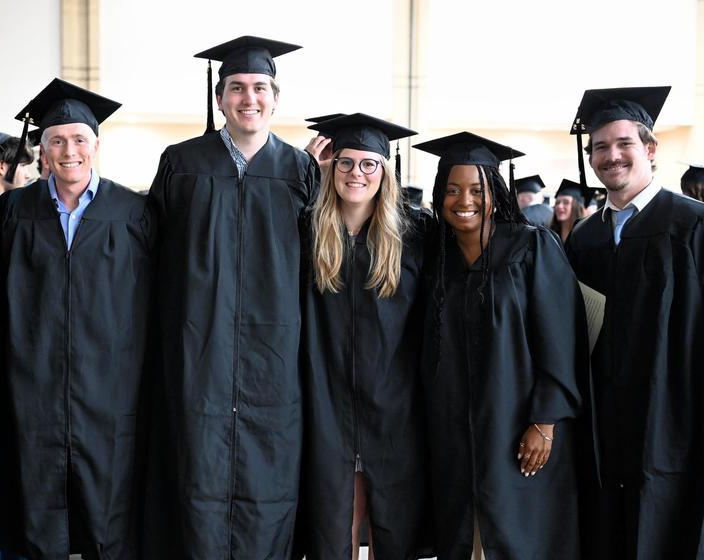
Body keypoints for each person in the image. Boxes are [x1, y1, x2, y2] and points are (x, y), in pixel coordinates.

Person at [143, 35, 320, 559]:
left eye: (260, 87)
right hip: (199, 353)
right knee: (197, 476)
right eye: (237, 87)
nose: (250, 98)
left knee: (270, 479)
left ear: (276, 97)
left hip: (275, 362)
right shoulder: (182, 163)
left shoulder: (299, 171)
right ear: (220, 98)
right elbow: (150, 254)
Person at [0, 78, 153, 560]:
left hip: (109, 391)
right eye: (57, 140)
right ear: (42, 150)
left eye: (79, 139)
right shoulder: (14, 209)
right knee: (37, 516)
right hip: (32, 387)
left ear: (96, 145)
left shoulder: (132, 211)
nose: (69, 150)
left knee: (108, 521)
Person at [413, 132, 586, 559]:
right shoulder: (437, 260)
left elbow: (562, 339)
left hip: (519, 428)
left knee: (522, 536)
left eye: (477, 189)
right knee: (464, 536)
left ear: (495, 194)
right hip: (453, 431)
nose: (464, 200)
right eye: (452, 190)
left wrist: (545, 420)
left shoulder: (531, 247)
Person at [565, 86, 704, 559]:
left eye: (624, 143)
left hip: (674, 421)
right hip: (602, 427)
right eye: (600, 147)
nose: (612, 156)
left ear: (649, 148)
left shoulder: (692, 226)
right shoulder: (584, 238)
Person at [294, 113, 431, 560]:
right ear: (330, 167)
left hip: (394, 400)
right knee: (334, 520)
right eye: (346, 163)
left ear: (385, 170)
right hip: (325, 399)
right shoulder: (307, 230)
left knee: (393, 518)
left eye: (369, 164)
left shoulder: (416, 235)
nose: (357, 173)